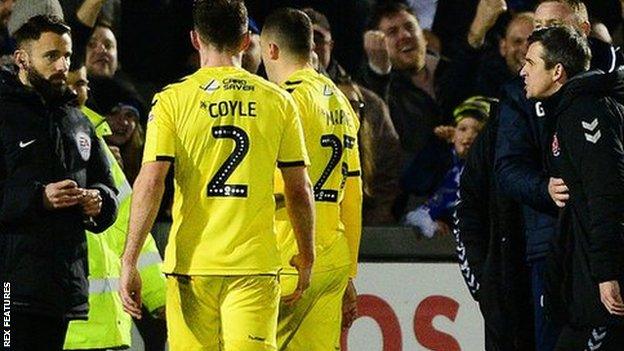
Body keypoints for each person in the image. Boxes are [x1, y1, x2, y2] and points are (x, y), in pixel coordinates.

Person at [119, 1, 316, 350]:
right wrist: (306, 255)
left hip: (193, 266)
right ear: (245, 41)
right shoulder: (279, 101)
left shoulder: (172, 100)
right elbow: (299, 189)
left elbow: (150, 183)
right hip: (253, 266)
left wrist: (130, 260)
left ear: (195, 39)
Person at [495, 2, 624, 350]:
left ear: (557, 72)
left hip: (599, 288)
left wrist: (606, 273)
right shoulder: (569, 111)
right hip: (580, 279)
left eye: (531, 63)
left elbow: (606, 195)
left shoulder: (585, 113)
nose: (522, 71)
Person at [0, 10, 118, 350]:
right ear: (21, 58)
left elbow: (107, 187)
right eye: (51, 56)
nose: (62, 65)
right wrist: (39, 198)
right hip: (11, 290)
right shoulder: (4, 115)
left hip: (61, 289)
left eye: (66, 55)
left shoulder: (78, 121)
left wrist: (98, 202)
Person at [260, 8, 362, 350]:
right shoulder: (341, 102)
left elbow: (273, 186)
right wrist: (350, 272)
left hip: (290, 252)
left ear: (271, 50)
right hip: (333, 254)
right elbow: (354, 192)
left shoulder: (282, 100)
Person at [63, 63, 166, 351]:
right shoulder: (26, 137)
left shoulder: (94, 140)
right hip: (56, 328)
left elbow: (129, 220)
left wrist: (159, 296)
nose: (74, 91)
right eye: (66, 81)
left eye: (81, 83)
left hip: (108, 324)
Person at [454, 100, 534, 351]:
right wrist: (485, 284)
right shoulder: (495, 133)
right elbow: (467, 212)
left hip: (555, 285)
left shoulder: (570, 118)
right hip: (504, 290)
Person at [404, 96, 492, 238]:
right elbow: (416, 211)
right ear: (452, 135)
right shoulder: (448, 169)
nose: (468, 136)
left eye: (477, 130)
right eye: (462, 129)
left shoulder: (494, 171)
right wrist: (434, 144)